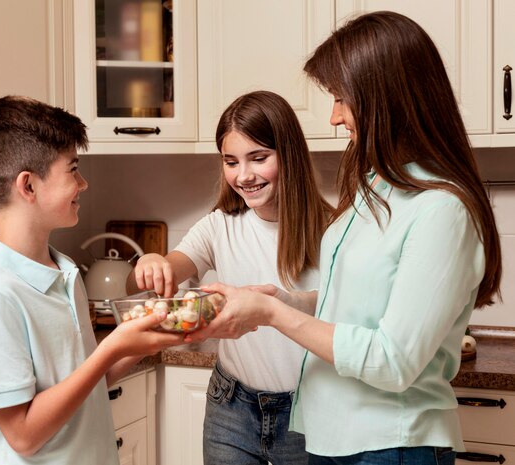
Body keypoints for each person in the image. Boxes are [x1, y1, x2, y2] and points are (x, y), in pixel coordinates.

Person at [186, 11, 503, 465]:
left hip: (390, 445)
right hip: (330, 437)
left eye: (340, 98)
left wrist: (274, 314)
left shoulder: (441, 210)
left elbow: (393, 361)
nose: (334, 116)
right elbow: (357, 305)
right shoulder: (376, 188)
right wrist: (284, 300)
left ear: (385, 97)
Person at [0, 95, 184, 465]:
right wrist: (113, 347)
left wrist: (150, 335)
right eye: (73, 169)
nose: (83, 183)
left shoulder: (62, 271)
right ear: (28, 186)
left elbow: (84, 385)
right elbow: (24, 436)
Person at [127, 90, 332, 464]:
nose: (244, 175)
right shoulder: (219, 226)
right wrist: (153, 263)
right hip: (231, 409)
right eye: (231, 161)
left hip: (309, 412)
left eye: (258, 158)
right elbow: (165, 272)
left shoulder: (333, 230)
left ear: (290, 154)